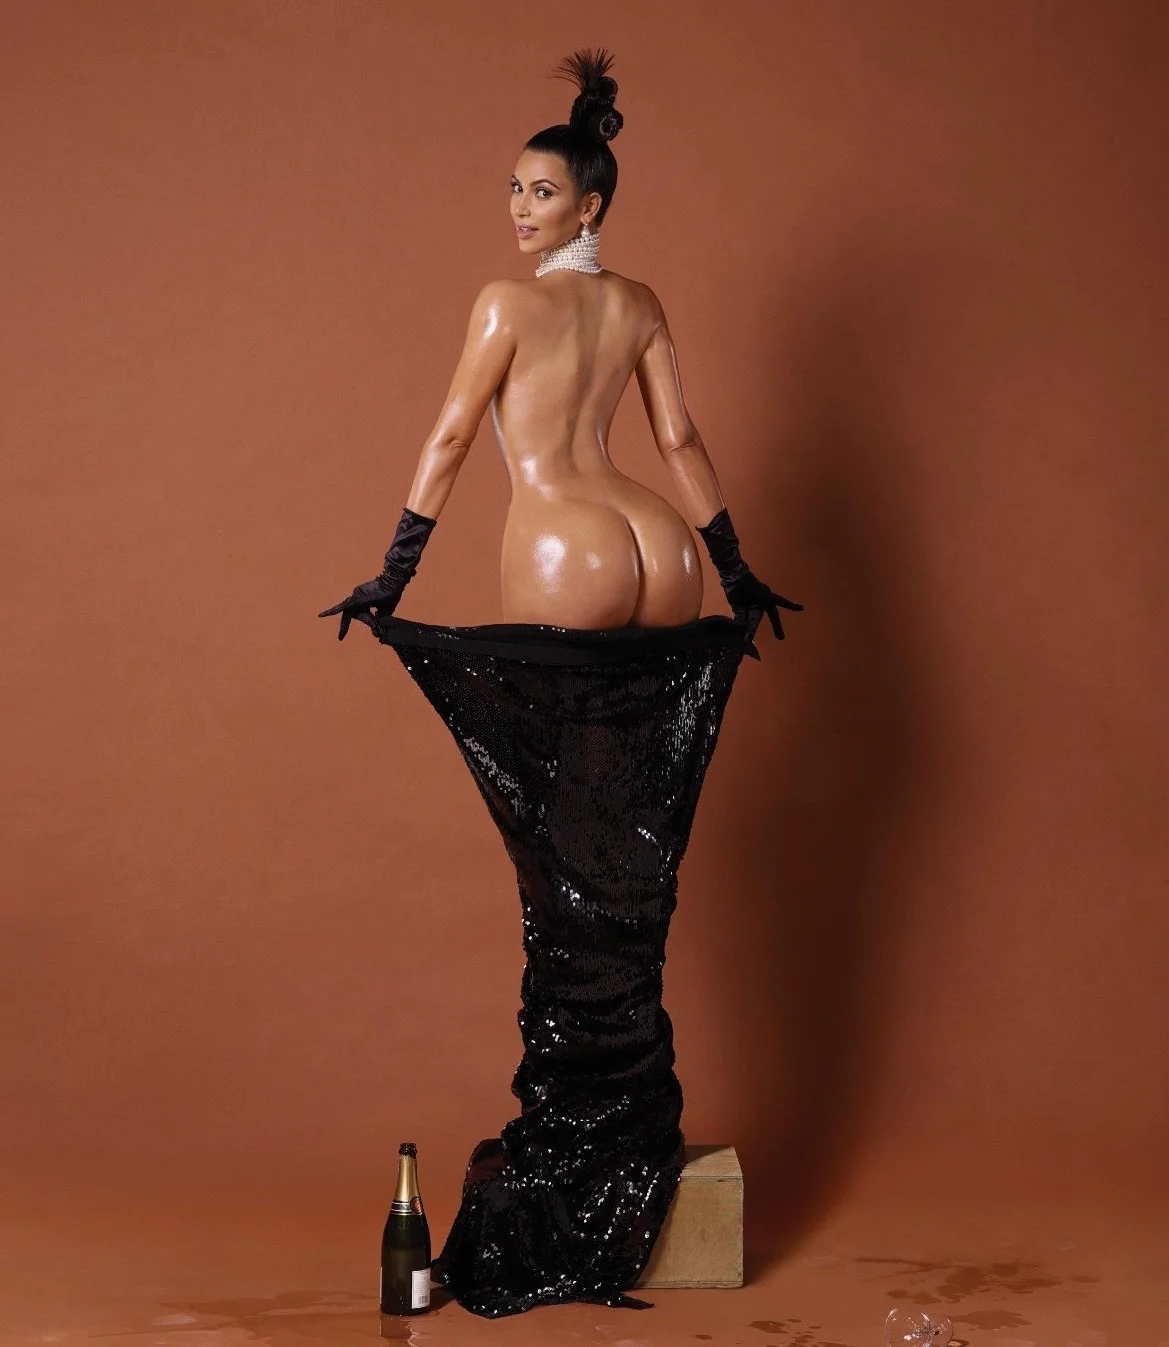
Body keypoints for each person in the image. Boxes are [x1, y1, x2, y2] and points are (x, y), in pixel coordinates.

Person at [319, 48, 800, 1319]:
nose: (517, 209)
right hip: (659, 541)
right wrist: (735, 572)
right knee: (623, 828)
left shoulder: (504, 304)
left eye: (539, 192)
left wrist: (392, 571)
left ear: (590, 202)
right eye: (513, 189)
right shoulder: (636, 303)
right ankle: (623, 1103)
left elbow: (451, 434)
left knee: (569, 840)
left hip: (564, 538)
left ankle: (583, 1129)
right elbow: (677, 439)